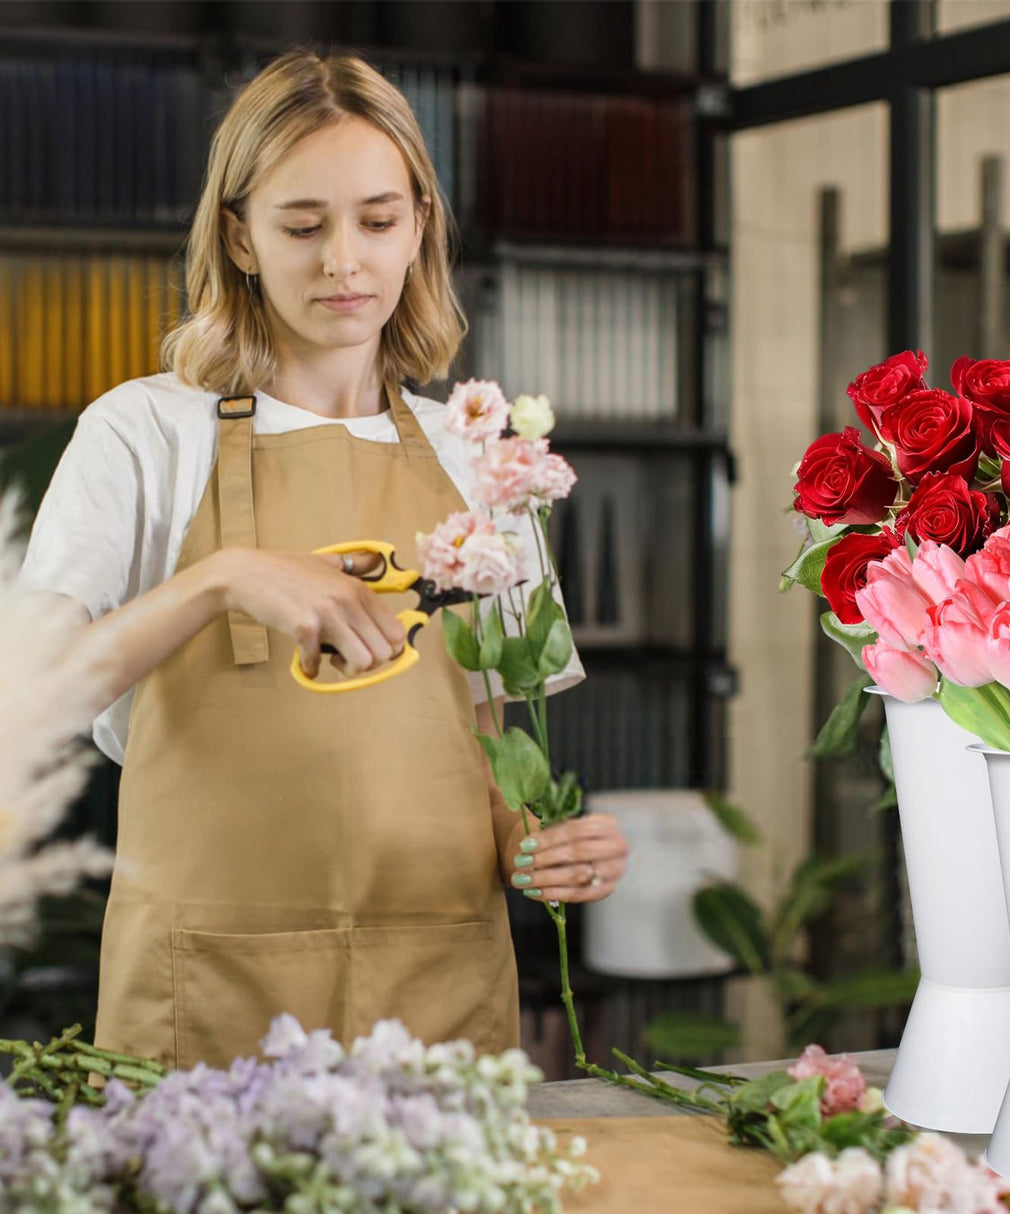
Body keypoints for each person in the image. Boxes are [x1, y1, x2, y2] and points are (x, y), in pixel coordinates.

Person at [18, 47, 628, 1070]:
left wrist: (540, 843)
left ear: (419, 228)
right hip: (209, 985)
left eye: (378, 221)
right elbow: (30, 690)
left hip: (433, 973)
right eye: (303, 225)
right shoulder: (144, 431)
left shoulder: (478, 457)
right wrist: (224, 576)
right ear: (239, 236)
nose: (343, 259)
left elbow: (476, 735)